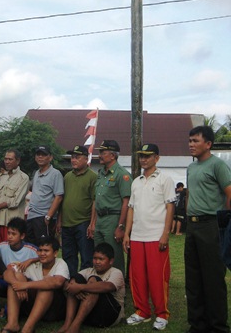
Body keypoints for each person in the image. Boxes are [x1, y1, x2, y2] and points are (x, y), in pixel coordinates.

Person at [123, 143, 176, 331]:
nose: (143, 159)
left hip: (156, 236)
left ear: (157, 158)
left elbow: (170, 206)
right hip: (137, 236)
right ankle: (142, 311)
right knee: (137, 276)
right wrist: (127, 234)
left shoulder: (165, 179)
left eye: (148, 156)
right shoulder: (136, 181)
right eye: (141, 156)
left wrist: (165, 233)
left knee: (157, 277)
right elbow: (131, 209)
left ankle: (162, 314)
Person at [185, 125, 231, 333]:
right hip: (192, 226)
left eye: (195, 141)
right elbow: (189, 196)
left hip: (212, 226)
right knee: (193, 280)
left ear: (208, 144)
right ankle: (197, 325)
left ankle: (217, 327)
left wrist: (224, 222)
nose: (191, 145)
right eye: (190, 141)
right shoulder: (191, 167)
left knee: (213, 281)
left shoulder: (218, 165)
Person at [0, 236, 69, 333]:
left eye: (46, 251)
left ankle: (28, 329)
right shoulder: (34, 265)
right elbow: (7, 273)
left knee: (46, 287)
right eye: (40, 250)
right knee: (16, 278)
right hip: (33, 308)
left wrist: (25, 285)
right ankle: (12, 324)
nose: (42, 253)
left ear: (55, 253)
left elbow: (57, 282)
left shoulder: (60, 263)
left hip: (54, 310)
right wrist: (17, 284)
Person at [57, 242, 125, 333]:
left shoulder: (116, 272)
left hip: (109, 316)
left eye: (101, 259)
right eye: (95, 258)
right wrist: (74, 284)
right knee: (76, 278)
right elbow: (69, 283)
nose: (97, 262)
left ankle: (74, 327)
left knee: (94, 281)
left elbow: (108, 286)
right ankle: (67, 324)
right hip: (91, 315)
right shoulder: (89, 270)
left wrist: (80, 287)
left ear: (111, 261)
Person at [57, 145, 97, 277]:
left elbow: (94, 201)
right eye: (72, 157)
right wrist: (59, 221)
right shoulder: (67, 176)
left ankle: (84, 284)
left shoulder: (92, 177)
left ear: (86, 159)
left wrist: (92, 223)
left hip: (83, 222)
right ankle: (70, 284)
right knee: (68, 256)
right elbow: (63, 200)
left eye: (77, 157)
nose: (73, 160)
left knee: (86, 257)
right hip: (67, 224)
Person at [94, 140, 132, 275]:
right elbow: (96, 199)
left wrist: (120, 226)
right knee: (99, 254)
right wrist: (93, 223)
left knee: (113, 255)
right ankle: (101, 283)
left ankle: (117, 287)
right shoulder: (101, 173)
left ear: (113, 156)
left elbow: (126, 202)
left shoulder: (122, 174)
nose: (100, 155)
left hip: (113, 218)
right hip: (100, 218)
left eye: (103, 152)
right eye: (100, 152)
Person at [0, 217, 38, 312]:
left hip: (24, 282)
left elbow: (45, 256)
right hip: (7, 281)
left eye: (13, 234)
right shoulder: (2, 246)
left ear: (22, 236)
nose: (9, 236)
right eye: (8, 233)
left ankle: (15, 304)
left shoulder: (30, 249)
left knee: (8, 310)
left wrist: (31, 260)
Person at [0, 149, 29, 245]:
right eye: (5, 159)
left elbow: (16, 201)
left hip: (13, 223)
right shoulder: (1, 177)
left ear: (17, 161)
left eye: (10, 159)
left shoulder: (24, 178)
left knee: (10, 251)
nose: (7, 162)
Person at [26, 146, 64, 245]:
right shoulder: (36, 173)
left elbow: (59, 197)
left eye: (44, 155)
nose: (40, 157)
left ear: (50, 157)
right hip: (31, 216)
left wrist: (48, 216)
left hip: (44, 217)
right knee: (30, 247)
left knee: (44, 248)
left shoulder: (55, 174)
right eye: (38, 155)